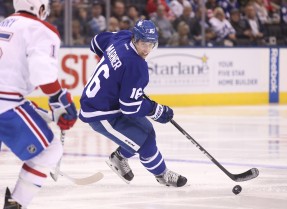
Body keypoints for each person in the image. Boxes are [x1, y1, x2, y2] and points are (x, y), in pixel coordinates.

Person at [79, 19, 187, 187]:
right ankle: (162, 174)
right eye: (143, 43)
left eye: (151, 44)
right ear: (135, 38)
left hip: (108, 103)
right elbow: (129, 107)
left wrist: (116, 71)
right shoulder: (137, 66)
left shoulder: (122, 37)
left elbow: (95, 43)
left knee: (147, 131)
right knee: (145, 144)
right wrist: (155, 110)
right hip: (100, 113)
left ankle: (119, 158)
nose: (146, 50)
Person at [0, 0, 78, 208]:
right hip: (5, 104)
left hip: (7, 100)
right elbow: (42, 74)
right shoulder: (41, 29)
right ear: (41, 8)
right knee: (50, 150)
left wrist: (51, 113)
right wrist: (60, 100)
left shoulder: (5, 23)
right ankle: (17, 203)